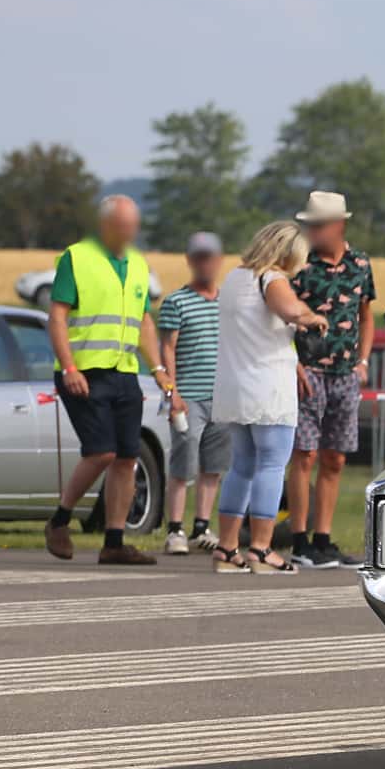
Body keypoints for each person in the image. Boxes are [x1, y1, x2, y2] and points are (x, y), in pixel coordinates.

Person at [42, 195, 176, 564]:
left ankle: (114, 542)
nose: (128, 232)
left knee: (127, 457)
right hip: (84, 372)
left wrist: (159, 369)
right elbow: (57, 317)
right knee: (101, 451)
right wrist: (69, 367)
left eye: (132, 225)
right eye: (121, 225)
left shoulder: (137, 263)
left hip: (124, 372)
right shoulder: (77, 258)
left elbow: (143, 321)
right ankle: (60, 519)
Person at [210, 222, 328, 574]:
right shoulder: (272, 278)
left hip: (235, 384)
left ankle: (227, 548)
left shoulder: (233, 278)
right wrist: (313, 318)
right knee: (272, 465)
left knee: (241, 466)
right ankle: (261, 549)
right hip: (267, 388)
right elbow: (290, 311)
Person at [286, 191, 375, 568]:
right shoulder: (300, 265)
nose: (312, 231)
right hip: (309, 373)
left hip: (345, 373)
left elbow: (367, 314)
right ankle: (299, 539)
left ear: (339, 225)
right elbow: (280, 318)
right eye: (310, 225)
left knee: (335, 458)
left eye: (319, 225)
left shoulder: (360, 264)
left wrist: (364, 361)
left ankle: (324, 538)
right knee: (303, 454)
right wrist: (293, 363)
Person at [156, 232, 231, 556]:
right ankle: (175, 529)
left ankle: (202, 526)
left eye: (210, 257)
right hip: (188, 394)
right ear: (190, 261)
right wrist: (171, 391)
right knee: (183, 463)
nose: (205, 264)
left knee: (213, 466)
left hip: (223, 395)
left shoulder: (228, 302)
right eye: (199, 257)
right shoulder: (176, 302)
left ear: (219, 261)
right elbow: (167, 348)